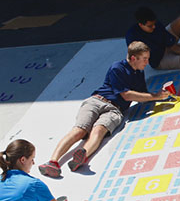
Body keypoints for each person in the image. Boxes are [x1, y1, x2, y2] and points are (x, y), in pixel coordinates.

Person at [38, 42, 170, 177]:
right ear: (133, 58)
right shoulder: (117, 68)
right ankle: (52, 162)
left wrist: (160, 96)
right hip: (97, 101)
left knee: (99, 130)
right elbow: (126, 95)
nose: (147, 62)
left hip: (115, 110)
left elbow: (143, 95)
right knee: (80, 130)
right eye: (145, 59)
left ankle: (82, 156)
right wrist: (155, 96)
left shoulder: (139, 73)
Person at [126, 6, 180, 70]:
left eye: (154, 24)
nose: (154, 27)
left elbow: (171, 44)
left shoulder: (156, 25)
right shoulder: (132, 37)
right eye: (150, 26)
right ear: (141, 25)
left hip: (166, 46)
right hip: (159, 59)